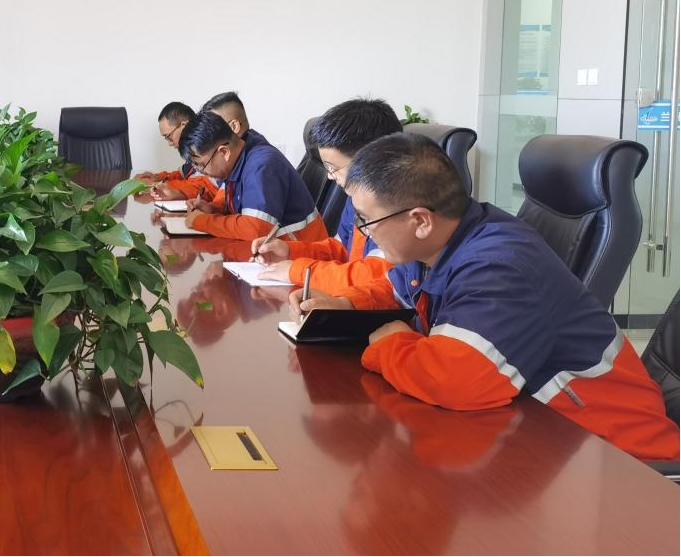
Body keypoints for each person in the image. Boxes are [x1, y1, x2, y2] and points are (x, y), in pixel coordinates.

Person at [296, 133, 678, 461]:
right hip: (539, 438)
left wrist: (391, 343)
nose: (363, 231)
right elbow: (397, 292)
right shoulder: (441, 243)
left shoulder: (498, 264)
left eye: (367, 220)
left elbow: (456, 381)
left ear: (420, 220)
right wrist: (345, 306)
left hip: (615, 455)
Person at [252, 98, 401, 289]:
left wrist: (298, 271)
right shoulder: (355, 198)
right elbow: (342, 250)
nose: (330, 176)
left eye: (334, 168)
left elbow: (375, 274)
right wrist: (290, 251)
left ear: (371, 160)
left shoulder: (399, 207)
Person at [180, 110, 328, 243]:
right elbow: (239, 206)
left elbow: (256, 229)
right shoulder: (241, 155)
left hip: (302, 252)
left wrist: (202, 221)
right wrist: (213, 209)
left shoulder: (262, 165)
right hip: (276, 251)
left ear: (224, 152)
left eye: (201, 165)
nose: (201, 171)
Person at [137, 102, 212, 201]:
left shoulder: (208, 150)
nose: (169, 143)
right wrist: (158, 178)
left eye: (169, 136)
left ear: (184, 125)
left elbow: (204, 186)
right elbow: (185, 174)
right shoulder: (192, 154)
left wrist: (158, 185)